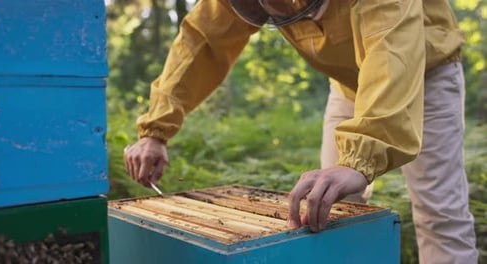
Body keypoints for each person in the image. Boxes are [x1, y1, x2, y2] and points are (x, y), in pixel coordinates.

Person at [123, 0, 479, 262]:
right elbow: (202, 42)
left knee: (439, 213)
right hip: (347, 84)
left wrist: (359, 159)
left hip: (426, 73)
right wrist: (156, 128)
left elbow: (391, 51)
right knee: (335, 207)